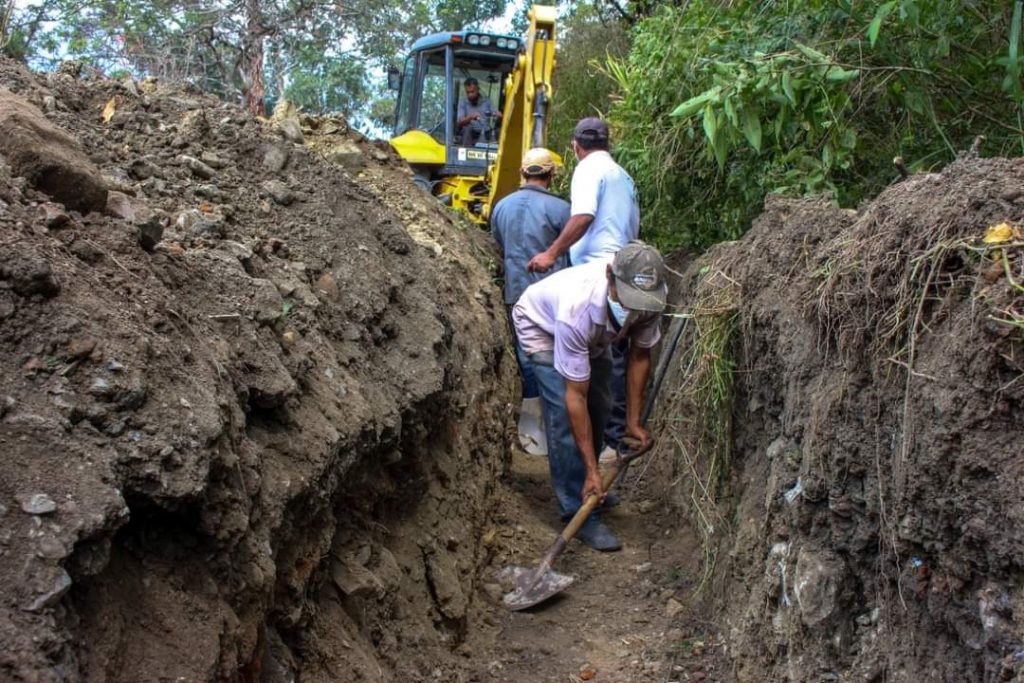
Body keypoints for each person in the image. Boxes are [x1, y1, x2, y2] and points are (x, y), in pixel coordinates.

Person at [513, 241, 667, 551]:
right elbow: (575, 397)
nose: (634, 309)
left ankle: (590, 481)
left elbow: (639, 356)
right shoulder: (577, 309)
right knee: (564, 415)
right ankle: (578, 506)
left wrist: (632, 423)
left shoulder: (651, 297)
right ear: (611, 277)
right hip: (543, 327)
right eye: (628, 299)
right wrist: (595, 471)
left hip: (594, 335)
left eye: (640, 303)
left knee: (601, 405)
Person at [527, 116, 641, 460]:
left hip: (599, 274)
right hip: (624, 271)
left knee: (600, 359)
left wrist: (551, 253)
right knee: (617, 353)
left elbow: (583, 216)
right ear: (608, 143)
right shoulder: (623, 175)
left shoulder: (588, 170)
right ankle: (614, 435)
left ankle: (603, 442)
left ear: (576, 147)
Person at [491, 148, 571, 456]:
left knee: (528, 358)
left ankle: (532, 425)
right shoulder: (562, 209)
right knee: (559, 358)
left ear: (522, 173)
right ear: (551, 174)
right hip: (554, 298)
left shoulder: (501, 207)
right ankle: (557, 425)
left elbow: (499, 244)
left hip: (517, 295)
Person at [456, 78, 500, 146]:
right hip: (472, 132)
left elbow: (495, 112)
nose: (470, 94)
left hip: (486, 131)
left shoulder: (487, 101)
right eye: (468, 92)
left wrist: (498, 115)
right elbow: (460, 121)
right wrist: (470, 117)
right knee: (467, 129)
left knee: (498, 132)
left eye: (472, 92)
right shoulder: (463, 102)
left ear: (478, 89)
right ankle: (467, 150)